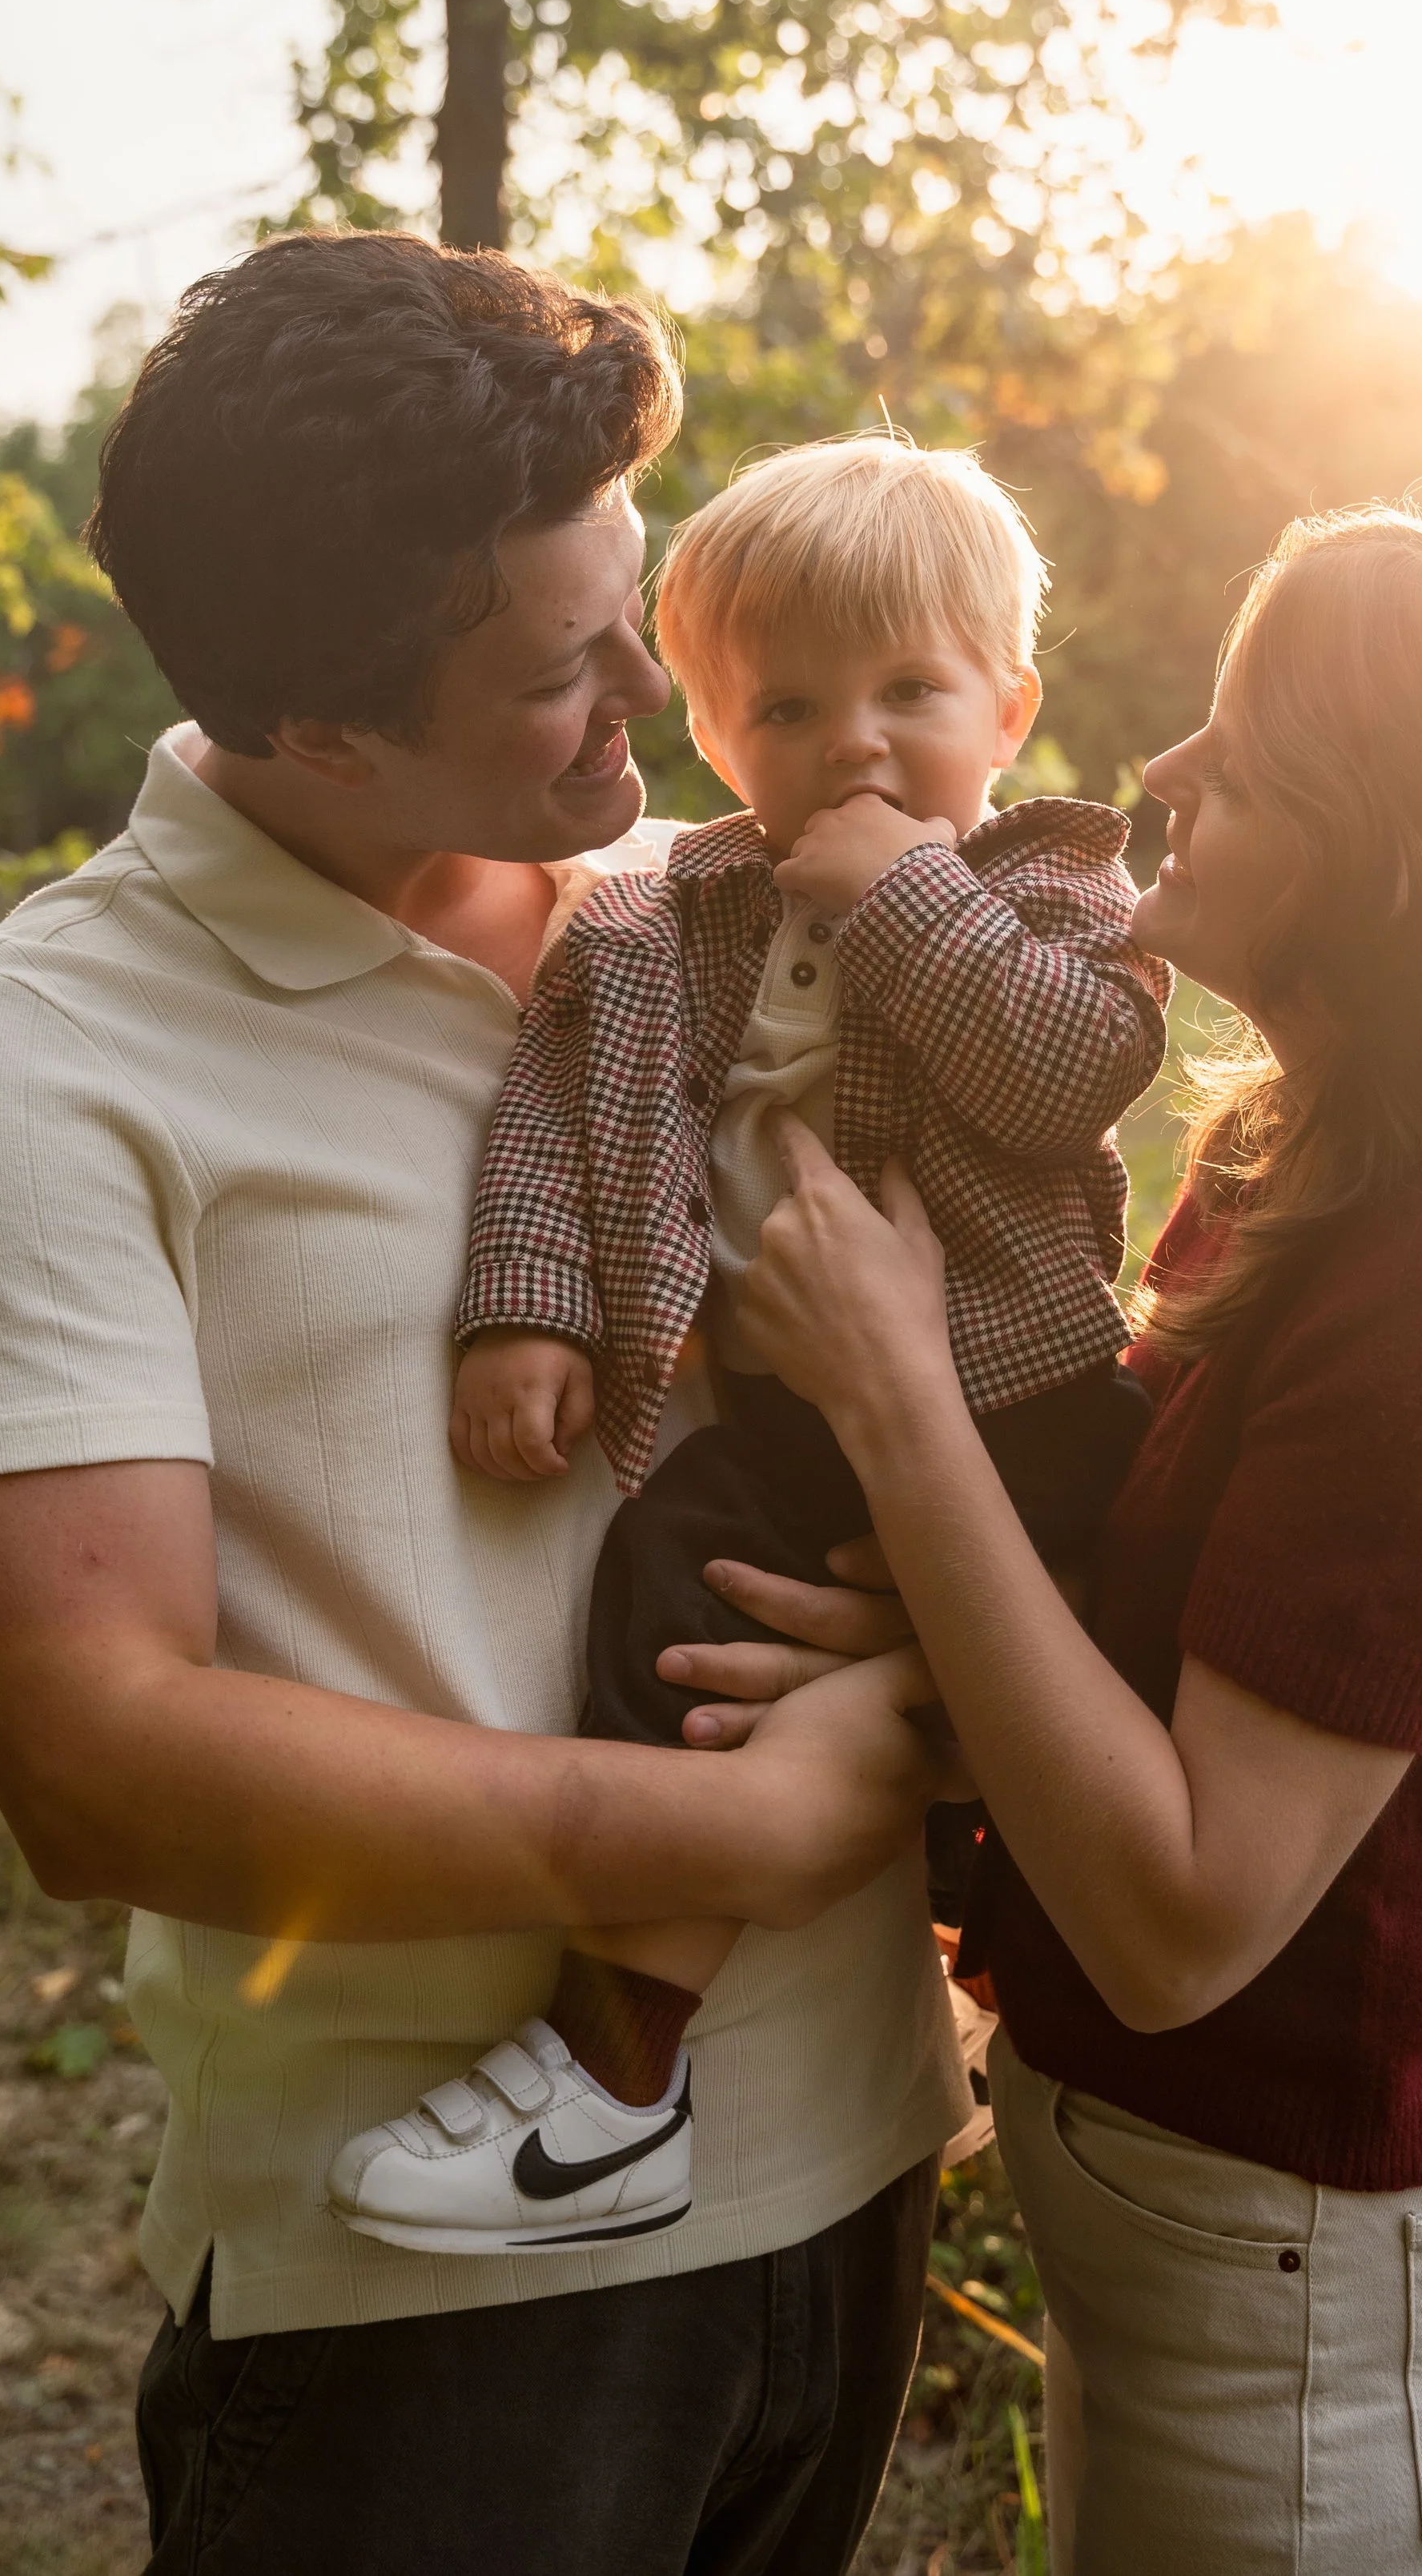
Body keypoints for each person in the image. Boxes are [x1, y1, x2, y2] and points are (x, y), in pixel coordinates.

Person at [0, 231, 972, 2576]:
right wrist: (732, 1835)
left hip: (858, 2151)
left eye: (632, 613)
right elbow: (98, 1754)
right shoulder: (28, 1062)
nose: (651, 708)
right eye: (563, 675)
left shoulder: (727, 913)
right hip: (421, 2293)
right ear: (322, 731)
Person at [665, 507, 1422, 2575]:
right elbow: (1158, 1638)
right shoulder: (1297, 1162)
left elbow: (1185, 1917)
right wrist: (921, 1679)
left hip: (1317, 2356)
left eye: (1254, 750)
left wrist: (896, 1398)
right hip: (1202, 2278)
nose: (1165, 770)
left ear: (1408, 856)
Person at [327, 437, 1168, 2255]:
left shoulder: (1050, 885)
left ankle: (1005, 1954)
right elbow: (551, 1115)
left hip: (1022, 1402)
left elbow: (1066, 1073)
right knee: (673, 1599)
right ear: (716, 739)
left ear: (1010, 708)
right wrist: (526, 1308)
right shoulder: (658, 917)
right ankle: (619, 2075)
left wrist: (905, 893)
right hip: (793, 1424)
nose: (855, 745)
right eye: (790, 707)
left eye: (910, 692)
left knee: (1111, 1640)